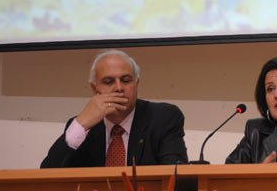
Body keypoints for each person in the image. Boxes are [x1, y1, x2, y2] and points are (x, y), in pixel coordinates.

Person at [40, 49, 188, 168]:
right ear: (95, 89)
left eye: (126, 80)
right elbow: (48, 176)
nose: (118, 88)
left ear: (137, 84)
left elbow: (177, 176)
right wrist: (80, 124)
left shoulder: (163, 119)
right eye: (108, 82)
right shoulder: (83, 127)